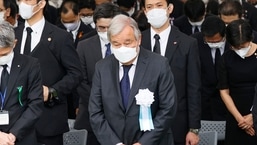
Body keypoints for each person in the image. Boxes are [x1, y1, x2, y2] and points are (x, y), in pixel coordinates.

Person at [89, 14, 177, 145]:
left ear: (138, 40)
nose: (122, 48)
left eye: (127, 42)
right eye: (116, 44)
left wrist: (143, 142)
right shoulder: (102, 67)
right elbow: (95, 112)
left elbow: (168, 109)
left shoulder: (159, 64)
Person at [14, 0, 83, 144]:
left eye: (27, 0)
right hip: (15, 124)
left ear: (41, 4)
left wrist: (52, 92)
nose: (22, 3)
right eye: (21, 0)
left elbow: (75, 74)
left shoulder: (60, 37)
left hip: (48, 122)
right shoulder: (13, 35)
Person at [141, 0, 201, 144]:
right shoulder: (137, 41)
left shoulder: (187, 43)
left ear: (170, 8)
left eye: (159, 5)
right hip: (142, 123)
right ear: (144, 11)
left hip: (177, 122)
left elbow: (194, 87)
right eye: (150, 7)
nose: (154, 10)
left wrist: (193, 129)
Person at [75, 2, 123, 145]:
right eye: (101, 28)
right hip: (90, 116)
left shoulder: (126, 45)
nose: (106, 31)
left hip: (121, 118)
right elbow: (79, 80)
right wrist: (101, 102)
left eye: (110, 28)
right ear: (95, 25)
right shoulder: (84, 46)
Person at [0, 21, 43, 145]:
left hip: (22, 136)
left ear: (14, 43)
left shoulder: (30, 65)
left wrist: (13, 135)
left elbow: (35, 103)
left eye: (4, 54)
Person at [218, 19, 257, 145]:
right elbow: (224, 91)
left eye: (243, 46)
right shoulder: (226, 58)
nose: (240, 49)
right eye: (236, 47)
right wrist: (240, 120)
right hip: (236, 116)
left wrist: (254, 116)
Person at [191, 16, 228, 121]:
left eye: (217, 41)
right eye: (209, 41)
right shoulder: (194, 41)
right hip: (204, 101)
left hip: (229, 99)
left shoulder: (232, 41)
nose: (213, 44)